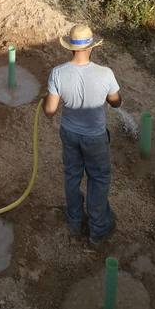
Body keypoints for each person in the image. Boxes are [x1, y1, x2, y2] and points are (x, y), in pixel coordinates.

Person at [44, 23, 121, 245]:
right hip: (96, 137)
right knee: (98, 178)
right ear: (92, 47)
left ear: (70, 47)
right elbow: (116, 103)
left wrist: (45, 100)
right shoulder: (105, 73)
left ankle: (75, 222)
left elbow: (49, 110)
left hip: (69, 134)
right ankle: (98, 228)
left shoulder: (58, 73)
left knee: (72, 175)